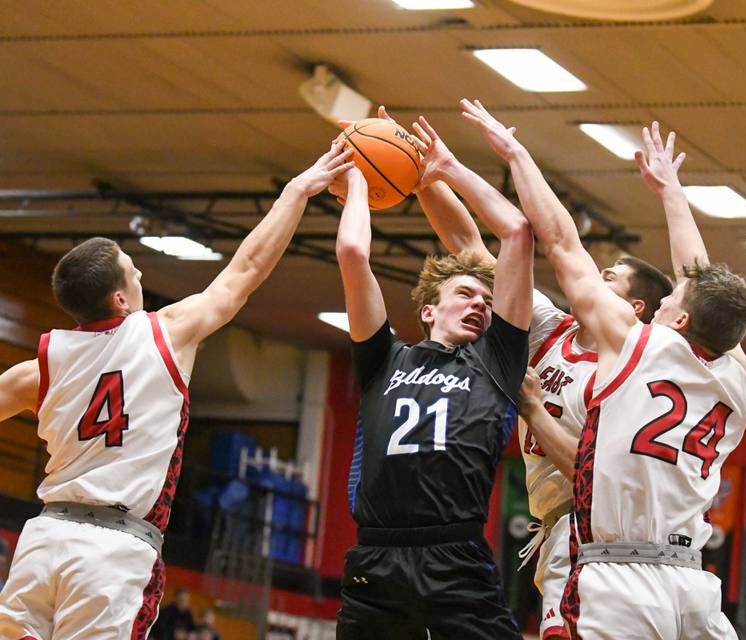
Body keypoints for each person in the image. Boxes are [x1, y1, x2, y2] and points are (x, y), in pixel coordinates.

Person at [0, 142, 354, 640]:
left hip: (43, 539)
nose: (141, 271)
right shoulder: (164, 332)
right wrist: (299, 189)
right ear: (120, 297)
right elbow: (245, 272)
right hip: (112, 552)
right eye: (132, 267)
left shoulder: (40, 365)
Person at [469, 100, 746, 638]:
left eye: (675, 299)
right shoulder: (737, 373)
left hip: (615, 571)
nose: (669, 295)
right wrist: (672, 193)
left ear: (681, 317)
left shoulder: (638, 344)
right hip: (693, 582)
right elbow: (699, 275)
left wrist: (516, 153)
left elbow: (560, 241)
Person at [405, 105, 671, 639]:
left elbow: (594, 477)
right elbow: (475, 252)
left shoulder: (630, 375)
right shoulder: (554, 328)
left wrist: (529, 407)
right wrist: (422, 180)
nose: (596, 275)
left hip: (600, 535)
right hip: (565, 533)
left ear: (635, 310)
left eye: (611, 278)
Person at [333, 116, 533, 639]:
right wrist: (356, 179)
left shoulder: (497, 359)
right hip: (376, 553)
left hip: (455, 553)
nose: (480, 305)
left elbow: (516, 232)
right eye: (466, 294)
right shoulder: (383, 359)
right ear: (428, 311)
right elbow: (353, 254)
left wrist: (447, 171)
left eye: (488, 301)